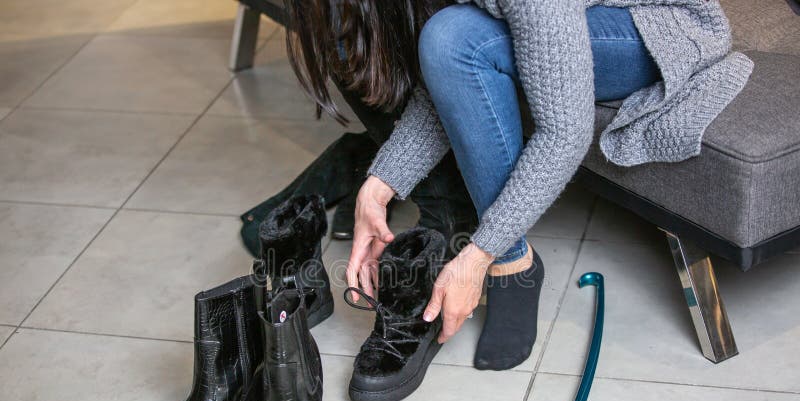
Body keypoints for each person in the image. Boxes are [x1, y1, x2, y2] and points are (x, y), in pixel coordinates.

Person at [283, 0, 753, 370]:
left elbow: (564, 135)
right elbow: (444, 81)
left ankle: (512, 266)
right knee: (446, 36)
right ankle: (508, 257)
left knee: (453, 37)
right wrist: (379, 186)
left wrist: (478, 254)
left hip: (659, 29)